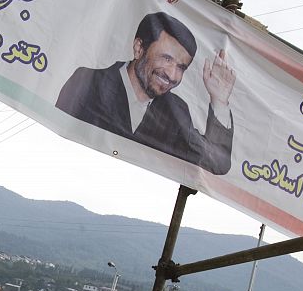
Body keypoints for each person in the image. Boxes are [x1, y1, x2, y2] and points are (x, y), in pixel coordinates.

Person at [56, 12, 236, 175]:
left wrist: (219, 101)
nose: (172, 75)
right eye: (166, 59)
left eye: (181, 67)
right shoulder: (88, 83)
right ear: (138, 48)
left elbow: (215, 163)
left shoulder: (176, 112)